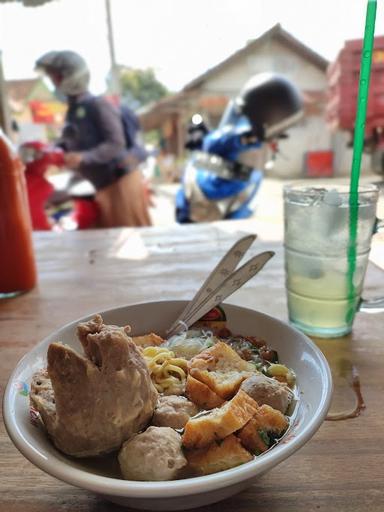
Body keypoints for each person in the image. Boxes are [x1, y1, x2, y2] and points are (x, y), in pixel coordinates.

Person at [35, 50, 151, 228]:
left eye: (56, 78)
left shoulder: (98, 105)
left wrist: (84, 157)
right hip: (101, 187)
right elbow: (69, 141)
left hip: (120, 182)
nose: (54, 84)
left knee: (130, 240)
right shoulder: (73, 112)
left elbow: (116, 143)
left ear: (72, 76)